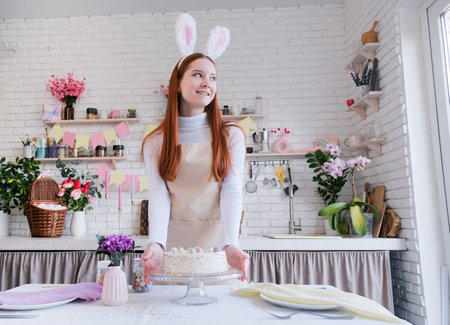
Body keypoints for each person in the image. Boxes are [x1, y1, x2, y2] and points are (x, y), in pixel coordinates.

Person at [141, 52, 248, 282]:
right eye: (198, 75)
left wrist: (231, 244)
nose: (207, 84)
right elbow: (159, 194)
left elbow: (231, 190)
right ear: (177, 84)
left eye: (212, 78)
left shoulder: (231, 135)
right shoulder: (155, 142)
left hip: (219, 247)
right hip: (172, 249)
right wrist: (156, 243)